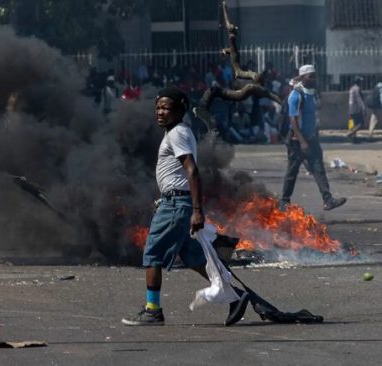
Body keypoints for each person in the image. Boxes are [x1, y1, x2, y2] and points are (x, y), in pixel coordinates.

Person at [122, 86, 249, 326]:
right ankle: (235, 296)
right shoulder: (176, 131)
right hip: (177, 202)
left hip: (176, 205)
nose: (160, 112)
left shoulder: (178, 133)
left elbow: (192, 170)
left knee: (152, 254)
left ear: (180, 109)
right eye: (158, 107)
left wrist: (197, 210)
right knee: (193, 257)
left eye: (166, 108)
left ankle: (153, 310)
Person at [280, 65, 347, 212]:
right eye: (311, 76)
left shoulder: (311, 93)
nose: (314, 79)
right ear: (302, 77)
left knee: (319, 169)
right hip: (297, 142)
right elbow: (293, 120)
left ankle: (328, 200)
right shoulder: (296, 95)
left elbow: (312, 117)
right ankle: (284, 202)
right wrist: (302, 141)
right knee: (292, 172)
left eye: (314, 76)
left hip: (312, 139)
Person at [346, 77, 367, 143]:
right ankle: (350, 133)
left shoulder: (351, 88)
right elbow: (359, 99)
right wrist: (363, 108)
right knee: (361, 123)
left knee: (352, 123)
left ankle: (353, 138)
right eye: (360, 82)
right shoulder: (357, 88)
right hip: (356, 107)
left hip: (350, 107)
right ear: (358, 82)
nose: (361, 83)